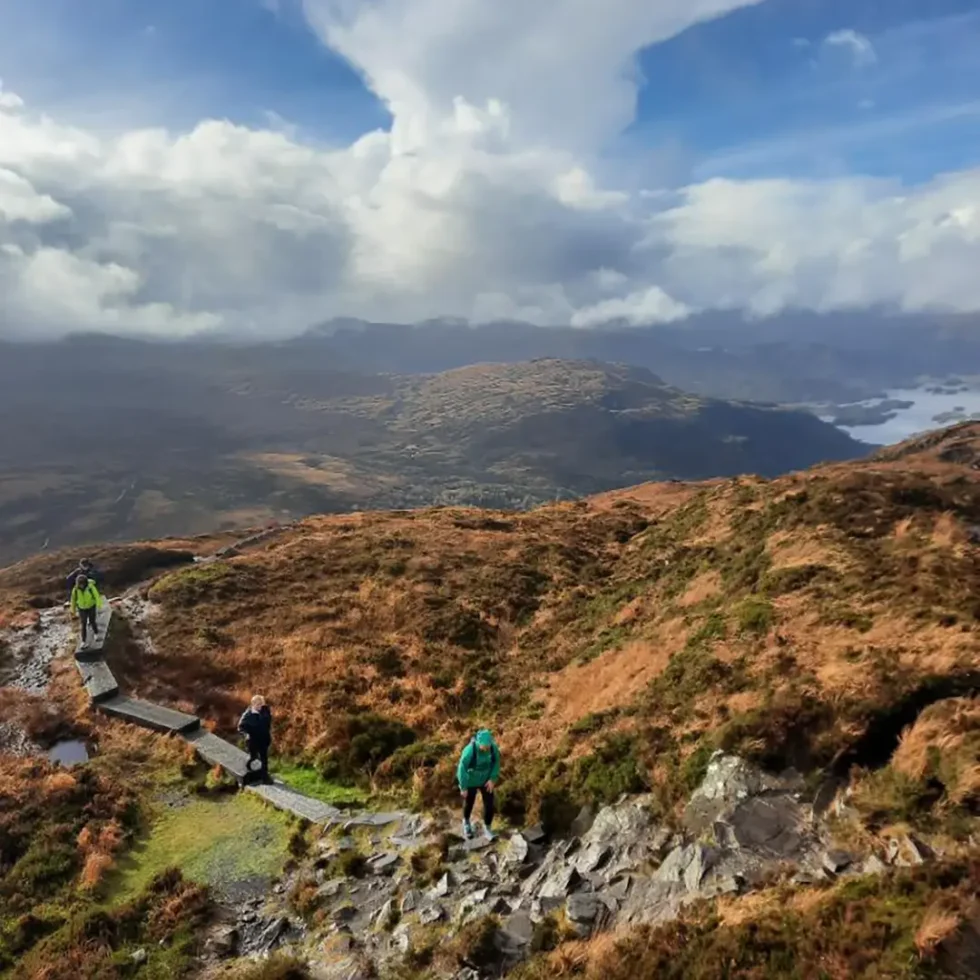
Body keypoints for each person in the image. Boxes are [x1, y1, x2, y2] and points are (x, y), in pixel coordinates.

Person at [457, 729, 501, 841]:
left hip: (486, 780)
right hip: (471, 780)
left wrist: (492, 778)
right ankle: (466, 822)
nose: (486, 748)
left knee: (489, 804)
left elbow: (496, 763)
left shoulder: (493, 748)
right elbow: (461, 769)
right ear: (478, 742)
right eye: (484, 746)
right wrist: (463, 787)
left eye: (488, 745)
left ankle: (488, 829)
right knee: (469, 802)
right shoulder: (470, 750)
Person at [238, 695, 273, 785]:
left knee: (264, 758)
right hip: (252, 740)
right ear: (253, 704)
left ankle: (265, 777)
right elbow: (240, 727)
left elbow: (268, 720)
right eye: (258, 704)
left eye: (262, 704)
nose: (261, 706)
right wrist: (247, 734)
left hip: (264, 739)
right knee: (254, 757)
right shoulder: (247, 715)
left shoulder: (265, 710)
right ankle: (250, 762)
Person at [70, 574, 103, 648]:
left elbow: (96, 596)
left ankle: (96, 633)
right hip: (82, 608)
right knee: (83, 624)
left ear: (85, 583)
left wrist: (99, 606)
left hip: (91, 606)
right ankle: (84, 641)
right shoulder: (75, 590)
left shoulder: (90, 587)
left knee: (92, 621)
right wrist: (73, 610)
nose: (81, 586)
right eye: (80, 584)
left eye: (83, 584)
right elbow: (73, 600)